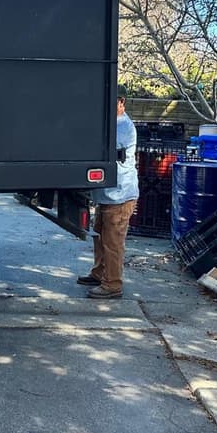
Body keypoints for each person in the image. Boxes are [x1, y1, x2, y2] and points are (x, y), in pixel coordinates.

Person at [79, 95, 139, 299]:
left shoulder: (123, 127)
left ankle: (112, 284)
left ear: (121, 102)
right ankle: (99, 274)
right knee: (100, 236)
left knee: (113, 242)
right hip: (109, 195)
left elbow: (104, 150)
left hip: (120, 196)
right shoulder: (112, 123)